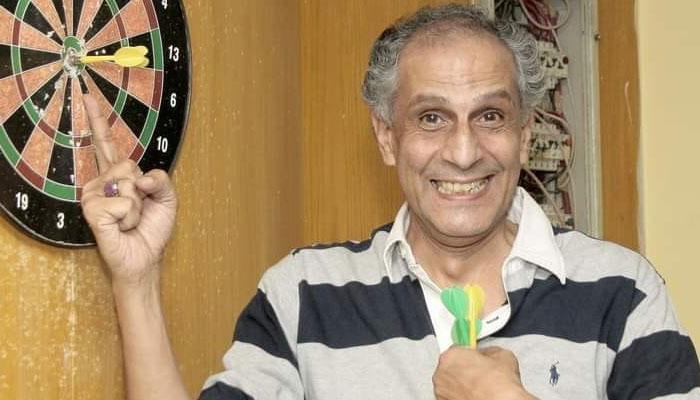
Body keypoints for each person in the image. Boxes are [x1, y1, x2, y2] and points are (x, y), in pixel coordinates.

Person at [81, 3, 700, 400]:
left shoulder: (624, 293)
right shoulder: (304, 296)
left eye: (490, 115)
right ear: (386, 136)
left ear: (524, 132)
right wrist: (137, 282)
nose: (464, 152)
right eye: (431, 118)